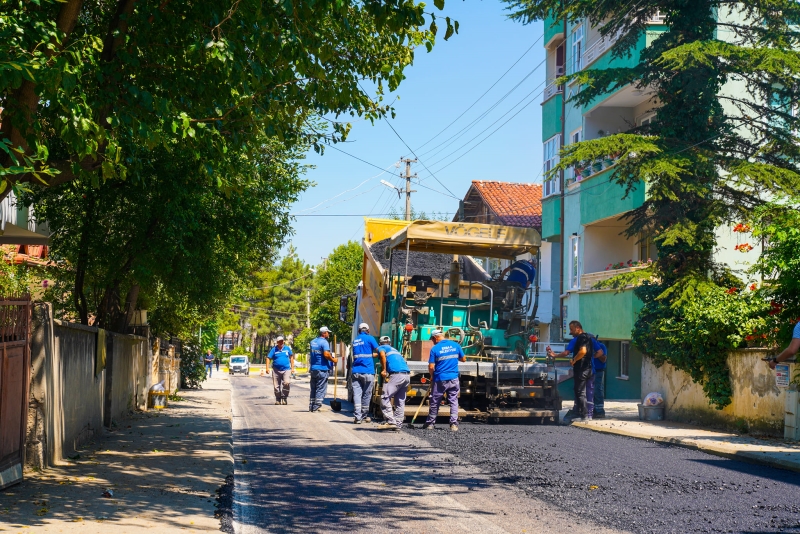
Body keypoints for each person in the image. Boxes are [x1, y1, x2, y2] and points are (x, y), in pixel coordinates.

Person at [547, 321, 597, 423]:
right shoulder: (588, 338)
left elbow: (583, 351)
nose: (571, 332)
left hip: (582, 369)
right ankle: (581, 413)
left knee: (580, 392)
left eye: (572, 329)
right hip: (589, 369)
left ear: (578, 328)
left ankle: (583, 415)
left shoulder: (582, 338)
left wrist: (574, 360)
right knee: (582, 392)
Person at [424, 329, 466, 431]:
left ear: (435, 338)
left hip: (440, 379)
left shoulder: (435, 349)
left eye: (432, 340)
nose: (433, 342)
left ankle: (430, 424)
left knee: (435, 401)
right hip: (453, 378)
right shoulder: (456, 345)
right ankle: (454, 424)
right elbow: (463, 359)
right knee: (454, 401)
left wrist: (432, 375)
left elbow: (431, 366)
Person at [376, 336, 410, 431]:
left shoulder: (381, 348)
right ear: (389, 342)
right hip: (406, 375)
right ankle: (398, 425)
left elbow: (382, 355)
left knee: (385, 397)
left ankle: (391, 421)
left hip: (396, 375)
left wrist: (384, 370)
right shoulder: (394, 350)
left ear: (380, 343)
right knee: (400, 400)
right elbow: (380, 355)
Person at [351, 323, 379, 424]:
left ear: (359, 330)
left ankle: (357, 417)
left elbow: (360, 354)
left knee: (357, 395)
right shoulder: (370, 338)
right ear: (368, 330)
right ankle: (364, 415)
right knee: (366, 394)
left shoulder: (355, 341)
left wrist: (370, 355)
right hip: (368, 371)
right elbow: (378, 350)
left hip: (356, 371)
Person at [309, 326, 337, 412]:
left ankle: (311, 405)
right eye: (327, 332)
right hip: (322, 369)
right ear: (324, 333)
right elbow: (326, 354)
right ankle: (317, 406)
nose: (328, 334)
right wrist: (333, 360)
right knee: (321, 387)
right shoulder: (324, 342)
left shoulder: (313, 342)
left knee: (313, 388)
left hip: (313, 368)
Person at [268, 336, 295, 405]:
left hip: (286, 369)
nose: (281, 342)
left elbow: (291, 357)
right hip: (276, 370)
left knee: (287, 383)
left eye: (282, 341)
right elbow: (268, 358)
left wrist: (292, 368)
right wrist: (267, 368)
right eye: (279, 341)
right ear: (277, 342)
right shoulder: (274, 349)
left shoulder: (287, 348)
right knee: (276, 386)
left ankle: (284, 397)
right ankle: (278, 399)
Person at [591, 339, 608, 419]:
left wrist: (596, 353)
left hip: (598, 371)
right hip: (589, 371)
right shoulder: (587, 347)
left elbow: (604, 359)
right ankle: (592, 410)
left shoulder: (601, 346)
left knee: (597, 390)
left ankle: (599, 411)